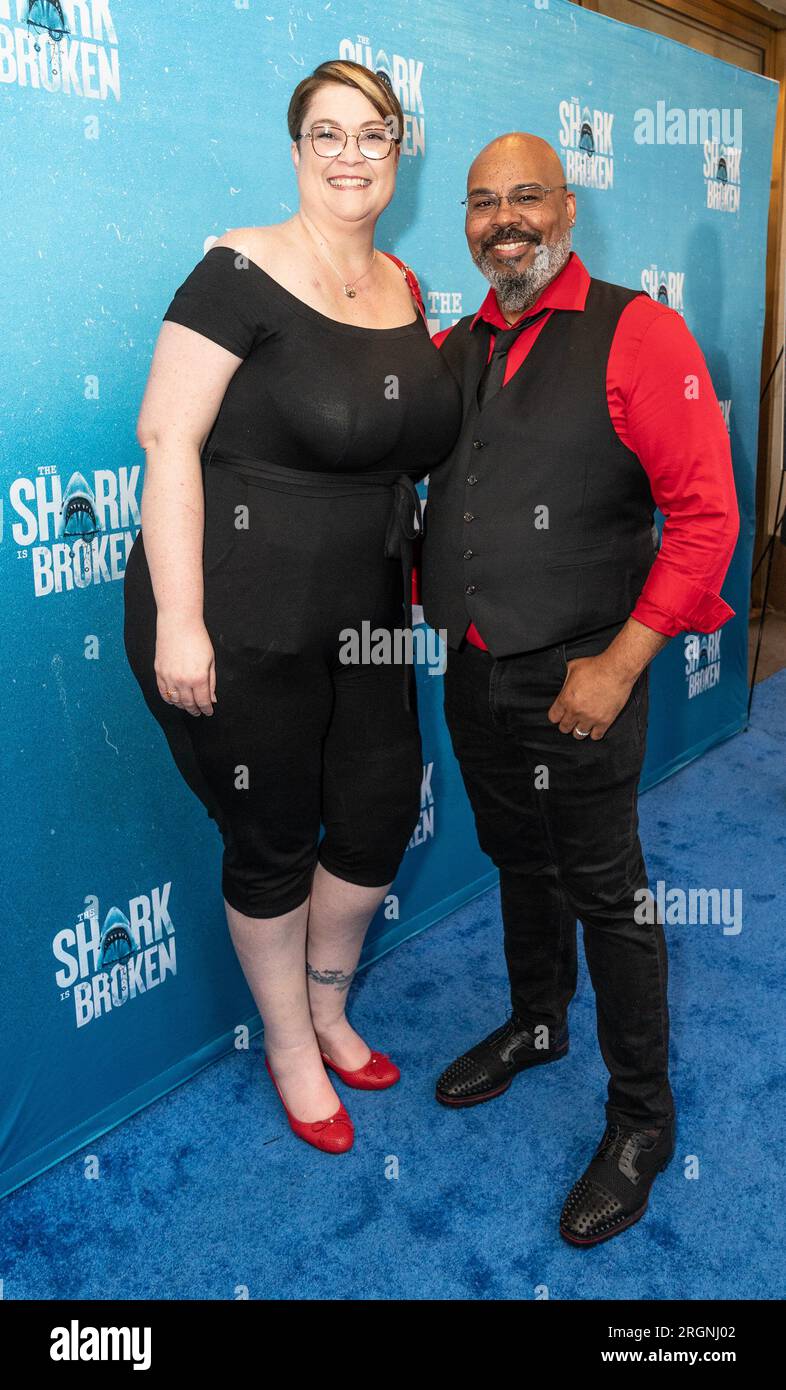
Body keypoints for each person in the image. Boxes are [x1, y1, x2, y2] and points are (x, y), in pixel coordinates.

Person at [123, 60, 462, 1155]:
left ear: (398, 152)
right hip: (238, 607)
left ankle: (328, 1006)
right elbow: (167, 439)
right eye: (328, 134)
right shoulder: (239, 267)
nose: (351, 154)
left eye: (373, 134)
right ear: (297, 148)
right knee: (270, 837)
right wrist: (183, 618)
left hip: (364, 608)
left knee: (368, 822)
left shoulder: (405, 287)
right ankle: (286, 1040)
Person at [419, 132, 739, 1243]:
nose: (504, 220)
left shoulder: (638, 333)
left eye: (526, 199)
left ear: (567, 209)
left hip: (583, 681)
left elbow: (708, 519)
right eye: (482, 203)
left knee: (610, 891)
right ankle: (537, 1021)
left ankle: (644, 1119)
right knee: (518, 860)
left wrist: (618, 664)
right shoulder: (462, 345)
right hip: (475, 670)